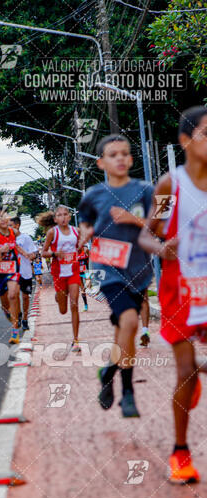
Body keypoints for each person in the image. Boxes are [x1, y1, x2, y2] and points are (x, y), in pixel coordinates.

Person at [139, 106, 207, 483]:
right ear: (185, 140)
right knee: (183, 369)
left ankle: (197, 372)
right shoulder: (171, 185)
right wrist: (162, 248)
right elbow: (147, 233)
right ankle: (180, 452)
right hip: (180, 286)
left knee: (191, 370)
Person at [78, 134, 153, 417]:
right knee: (130, 320)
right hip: (107, 270)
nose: (120, 158)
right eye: (113, 154)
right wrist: (86, 233)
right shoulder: (93, 195)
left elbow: (161, 226)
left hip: (138, 270)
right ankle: (128, 394)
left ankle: (109, 371)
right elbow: (85, 222)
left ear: (131, 159)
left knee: (126, 330)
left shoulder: (146, 190)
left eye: (124, 153)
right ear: (101, 162)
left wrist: (134, 219)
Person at [39, 205, 81, 353]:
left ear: (69, 217)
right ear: (55, 219)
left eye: (65, 214)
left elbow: (80, 248)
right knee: (63, 310)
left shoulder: (76, 231)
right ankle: (59, 296)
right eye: (60, 215)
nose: (63, 218)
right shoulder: (52, 233)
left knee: (74, 304)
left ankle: (76, 340)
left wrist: (84, 249)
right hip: (59, 273)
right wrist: (55, 254)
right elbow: (43, 253)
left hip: (74, 272)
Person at [0, 205, 30, 344]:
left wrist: (26, 254)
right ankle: (9, 313)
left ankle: (15, 332)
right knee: (5, 303)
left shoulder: (14, 232)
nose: (3, 219)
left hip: (13, 269)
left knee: (13, 295)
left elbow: (16, 246)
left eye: (5, 216)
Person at [10, 216, 37, 331]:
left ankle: (25, 318)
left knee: (25, 296)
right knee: (14, 296)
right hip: (12, 272)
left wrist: (31, 255)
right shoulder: (6, 239)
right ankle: (19, 314)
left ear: (17, 225)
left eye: (10, 226)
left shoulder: (25, 238)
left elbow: (34, 253)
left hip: (25, 271)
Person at [78, 245, 89, 311]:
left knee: (89, 284)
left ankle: (84, 289)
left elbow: (90, 258)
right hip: (78, 273)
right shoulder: (74, 252)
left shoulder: (85, 250)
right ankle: (85, 305)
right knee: (82, 289)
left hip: (86, 271)